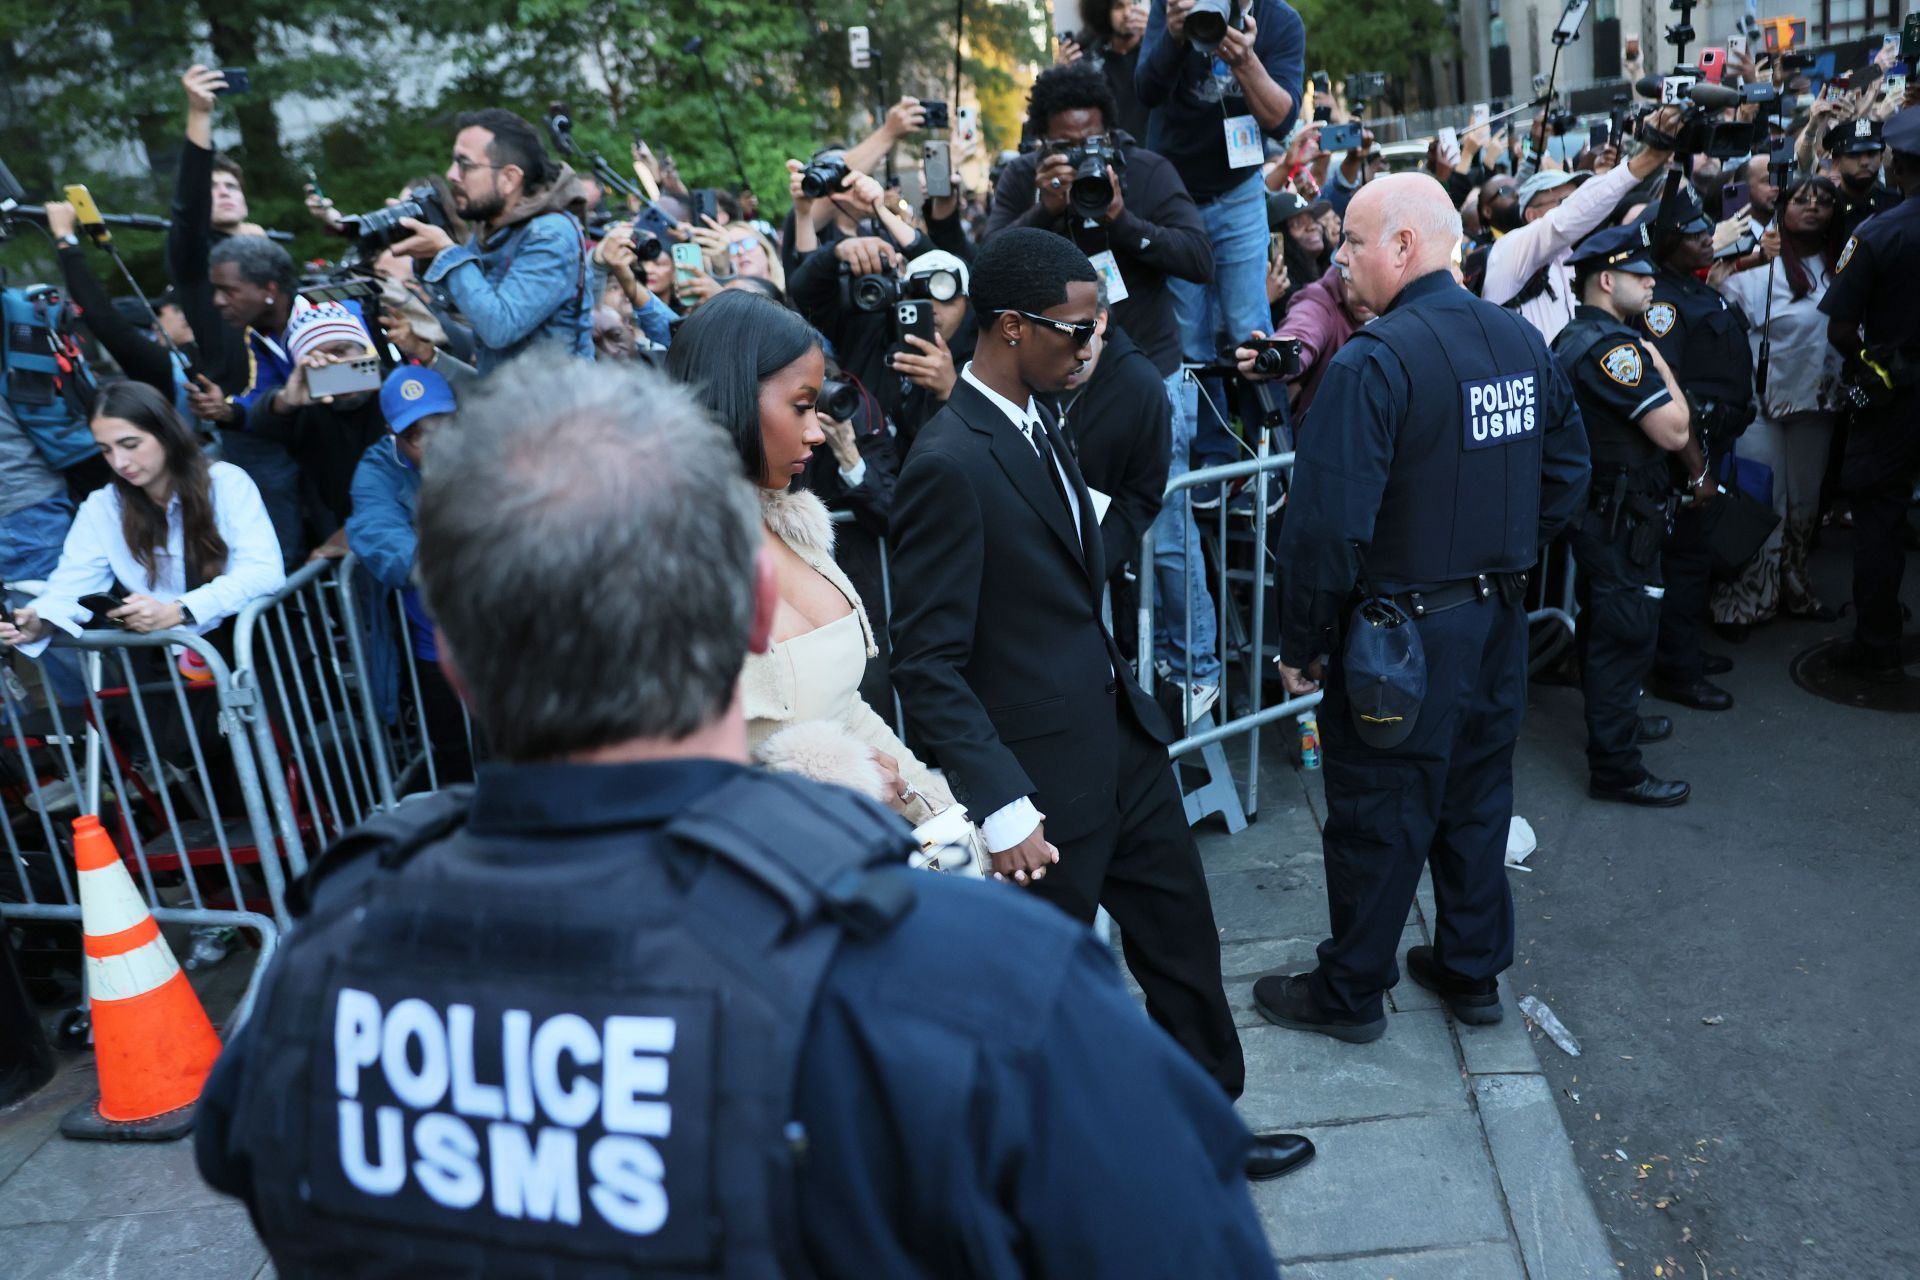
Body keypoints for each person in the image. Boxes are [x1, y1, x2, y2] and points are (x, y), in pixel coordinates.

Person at [192, 354, 1280, 1277]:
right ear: (758, 606)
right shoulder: (978, 986)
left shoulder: (319, 969)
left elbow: (248, 1160)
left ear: (458, 661)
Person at [885, 228, 1311, 1181]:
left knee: (1183, 948)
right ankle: (1017, 1183)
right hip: (1039, 789)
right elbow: (928, 662)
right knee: (1032, 999)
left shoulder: (1042, 418)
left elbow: (1079, 558)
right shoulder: (949, 461)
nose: (1091, 347)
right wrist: (1003, 805)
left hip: (1124, 742)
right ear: (1010, 327)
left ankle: (1207, 1130)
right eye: (1077, 331)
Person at [1256, 174, 1588, 1041]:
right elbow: (1567, 474)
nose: (1339, 261)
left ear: (1403, 246)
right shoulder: (1517, 338)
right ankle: (1472, 972)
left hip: (1400, 636)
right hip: (1494, 623)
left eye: (1352, 242)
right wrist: (1500, 554)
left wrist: (1303, 641)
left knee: (1380, 812)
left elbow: (1325, 528)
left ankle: (1351, 992)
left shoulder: (1375, 360)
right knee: (1476, 796)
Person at [983, 61, 1221, 720]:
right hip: (1054, 386)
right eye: (1064, 145)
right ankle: (1109, 670)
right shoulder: (1024, 179)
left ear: (1112, 133)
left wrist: (1121, 217)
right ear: (1041, 142)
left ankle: (1193, 669)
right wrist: (1045, 209)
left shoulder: (1146, 171)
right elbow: (987, 269)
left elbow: (1198, 258)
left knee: (1165, 528)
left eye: (1092, 141)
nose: (1080, 154)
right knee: (1073, 531)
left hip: (1146, 373)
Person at [664, 291, 943, 826]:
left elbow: (846, 709)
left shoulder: (794, 525)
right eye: (801, 406)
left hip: (862, 839)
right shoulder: (660, 560)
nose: (817, 431)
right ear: (733, 395)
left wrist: (942, 816)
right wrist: (851, 785)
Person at [1554, 225, 1695, 806]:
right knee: (1625, 630)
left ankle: (1616, 724)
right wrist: (1662, 367)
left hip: (1600, 511)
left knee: (1604, 622)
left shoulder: (1576, 336)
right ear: (1607, 280)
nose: (1652, 282)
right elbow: (1675, 431)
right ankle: (1616, 768)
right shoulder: (1616, 349)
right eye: (1640, 274)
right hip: (1617, 517)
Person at [1137, 0, 1304, 475]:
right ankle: (1211, 456)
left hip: (1238, 191)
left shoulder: (1280, 20)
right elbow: (1146, 90)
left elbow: (1281, 119)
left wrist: (1245, 59)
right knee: (1188, 335)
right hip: (1174, 195)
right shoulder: (1173, 5)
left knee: (1250, 325)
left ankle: (1272, 461)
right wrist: (1174, 35)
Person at [1, 381, 284, 659]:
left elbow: (263, 571)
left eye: (130, 444)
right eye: (106, 450)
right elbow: (71, 585)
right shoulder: (103, 506)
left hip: (247, 651)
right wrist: (40, 619)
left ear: (166, 434)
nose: (119, 462)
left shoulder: (225, 482)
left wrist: (178, 610)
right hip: (163, 663)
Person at [1712, 174, 1848, 630]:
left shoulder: (1842, 264)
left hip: (1817, 401)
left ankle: (1795, 587)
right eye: (1802, 200)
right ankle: (1748, 601)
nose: (1813, 207)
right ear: (1782, 208)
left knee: (1805, 502)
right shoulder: (1757, 265)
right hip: (1759, 405)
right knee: (1762, 499)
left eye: (1823, 201)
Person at [1637, 187, 1753, 712]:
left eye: (1707, 229)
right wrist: (1697, 467)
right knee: (1683, 559)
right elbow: (1670, 386)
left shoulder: (1693, 285)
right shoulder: (1663, 302)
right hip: (1688, 446)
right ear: (1667, 243)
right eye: (1693, 233)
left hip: (1716, 435)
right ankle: (1676, 670)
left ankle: (1684, 651)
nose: (1708, 238)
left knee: (1697, 554)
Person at [1820, 109, 1920, 681]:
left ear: (1896, 166)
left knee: (1879, 516)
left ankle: (1877, 644)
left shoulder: (1877, 233)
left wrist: (1871, 365)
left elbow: (1840, 329)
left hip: (1896, 395)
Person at [388, 108, 594, 372]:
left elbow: (499, 327)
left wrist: (446, 251)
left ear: (509, 178)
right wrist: (428, 256)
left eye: (465, 164)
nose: (452, 175)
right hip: (509, 395)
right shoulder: (490, 228)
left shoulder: (551, 234)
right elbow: (464, 309)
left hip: (559, 397)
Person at [346, 366, 474, 788]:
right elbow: (378, 534)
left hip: (509, 633)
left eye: (440, 425)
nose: (431, 442)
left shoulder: (491, 448)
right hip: (437, 643)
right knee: (457, 759)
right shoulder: (377, 469)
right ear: (393, 434)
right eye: (415, 434)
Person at [1481, 111, 1679, 342]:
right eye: (1564, 201)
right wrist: (1647, 159)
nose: (1574, 206)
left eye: (1576, 197)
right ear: (1532, 215)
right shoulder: (1511, 249)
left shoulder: (1569, 257)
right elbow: (1568, 217)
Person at [1050, 285, 1172, 588]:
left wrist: (1093, 562)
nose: (1062, 348)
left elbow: (1141, 494)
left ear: (1100, 320)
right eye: (1051, 330)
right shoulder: (1023, 371)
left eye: (1073, 329)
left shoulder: (1140, 385)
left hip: (1093, 569)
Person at [249, 301, 390, 557]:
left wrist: (359, 528)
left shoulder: (395, 388)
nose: (335, 364)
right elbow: (262, 422)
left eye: (342, 351)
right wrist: (287, 400)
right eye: (320, 359)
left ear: (363, 349)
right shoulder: (306, 410)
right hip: (350, 536)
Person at [1057, 0, 1153, 141]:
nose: (1127, 13)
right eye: (1119, 6)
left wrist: (1153, 34)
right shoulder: (1089, 61)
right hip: (1107, 147)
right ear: (1105, 11)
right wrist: (1061, 74)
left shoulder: (1156, 55)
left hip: (1152, 148)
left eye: (1134, 3)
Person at [1826, 116, 1902, 236]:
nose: (1865, 162)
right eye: (1854, 155)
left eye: (1871, 154)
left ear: (1881, 158)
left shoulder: (1896, 204)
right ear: (1836, 163)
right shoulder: (1826, 208)